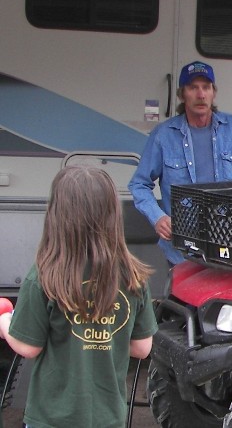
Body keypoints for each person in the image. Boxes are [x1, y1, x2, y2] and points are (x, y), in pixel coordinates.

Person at [0, 166, 157, 428]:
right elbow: (142, 348)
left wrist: (5, 321)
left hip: (51, 419)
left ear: (57, 215)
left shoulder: (43, 275)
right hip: (108, 418)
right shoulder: (133, 276)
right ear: (112, 214)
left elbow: (28, 346)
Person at [128, 61, 232, 266]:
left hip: (229, 244)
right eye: (193, 87)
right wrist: (158, 217)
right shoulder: (163, 135)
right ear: (182, 95)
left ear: (213, 93)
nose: (201, 95)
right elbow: (139, 184)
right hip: (181, 250)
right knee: (182, 299)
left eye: (206, 87)